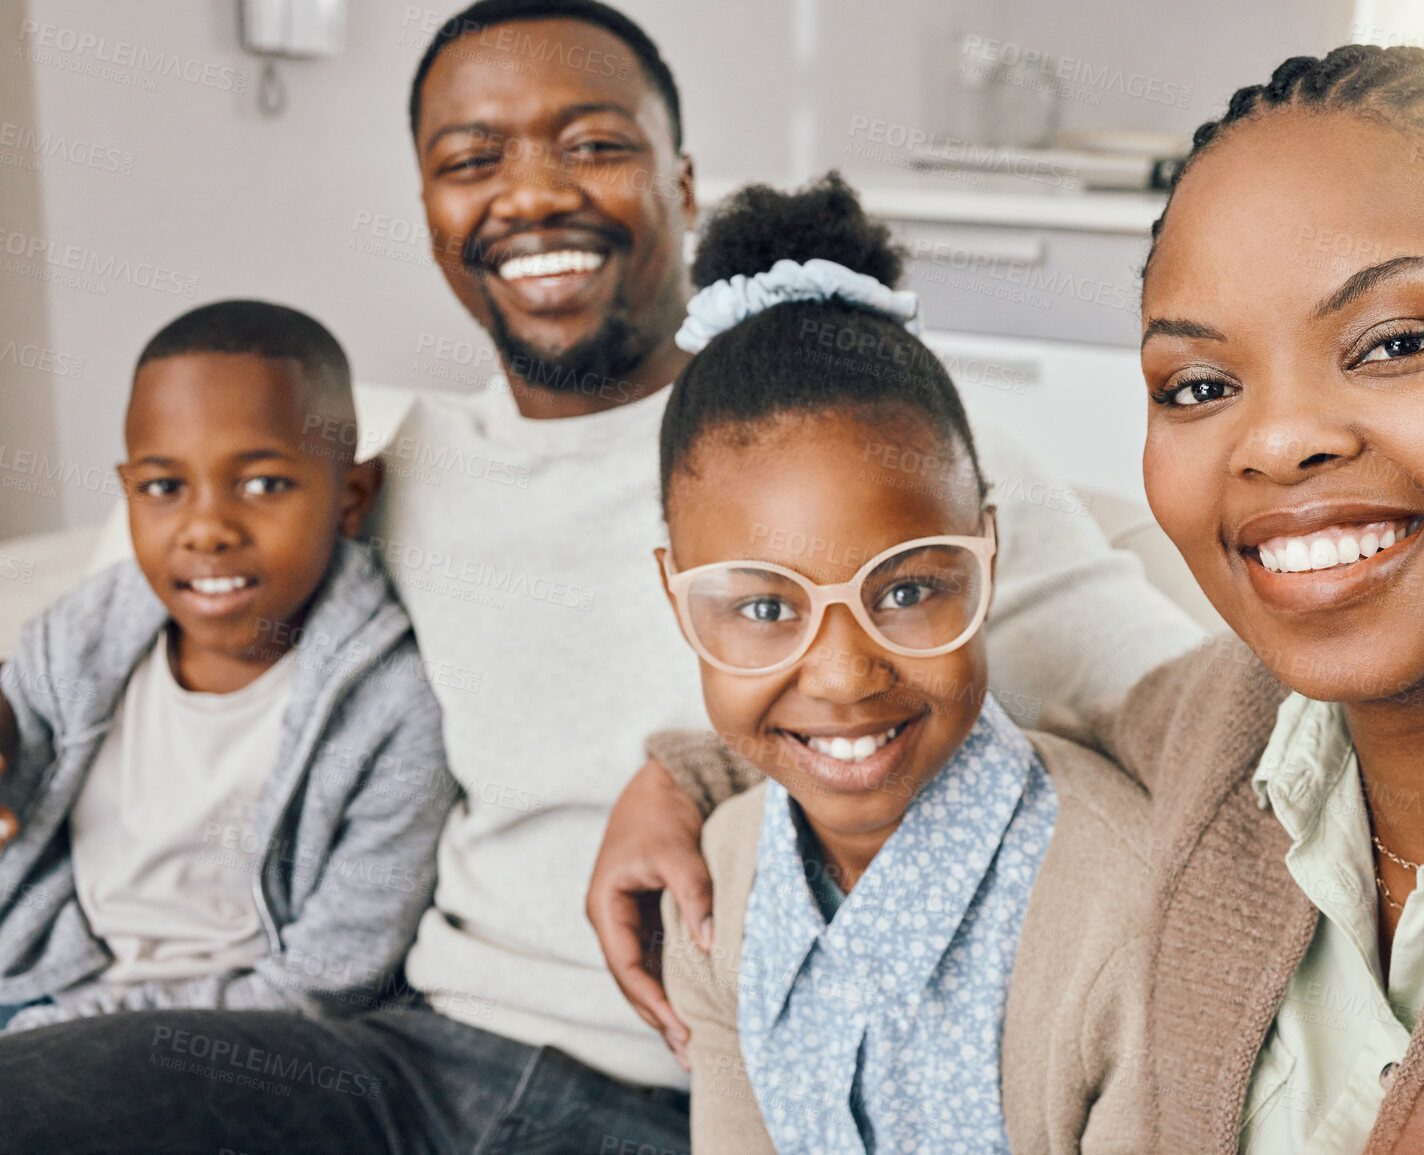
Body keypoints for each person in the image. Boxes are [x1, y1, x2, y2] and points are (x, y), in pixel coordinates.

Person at [0, 2, 1200, 1150]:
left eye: (594, 144)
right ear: (429, 210)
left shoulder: (874, 447)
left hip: (697, 1086)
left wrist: (691, 772)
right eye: (472, 159)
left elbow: (1188, 724)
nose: (530, 194)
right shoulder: (399, 472)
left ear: (682, 185)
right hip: (401, 1058)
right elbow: (160, 617)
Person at [599, 44, 1424, 1155]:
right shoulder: (1217, 733)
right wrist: (683, 775)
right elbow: (933, 699)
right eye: (1200, 384)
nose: (1281, 440)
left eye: (1392, 344)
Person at [649, 176, 1161, 1153]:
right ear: (677, 597)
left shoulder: (1126, 923)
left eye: (908, 590)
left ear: (989, 554)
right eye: (764, 607)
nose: (844, 676)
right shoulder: (720, 882)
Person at [0, 300, 453, 1033]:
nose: (206, 529)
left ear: (351, 495)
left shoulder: (392, 709)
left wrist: (68, 1029)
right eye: (163, 487)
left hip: (230, 1039)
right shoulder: (84, 636)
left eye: (264, 483)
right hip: (42, 985)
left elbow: (326, 983)